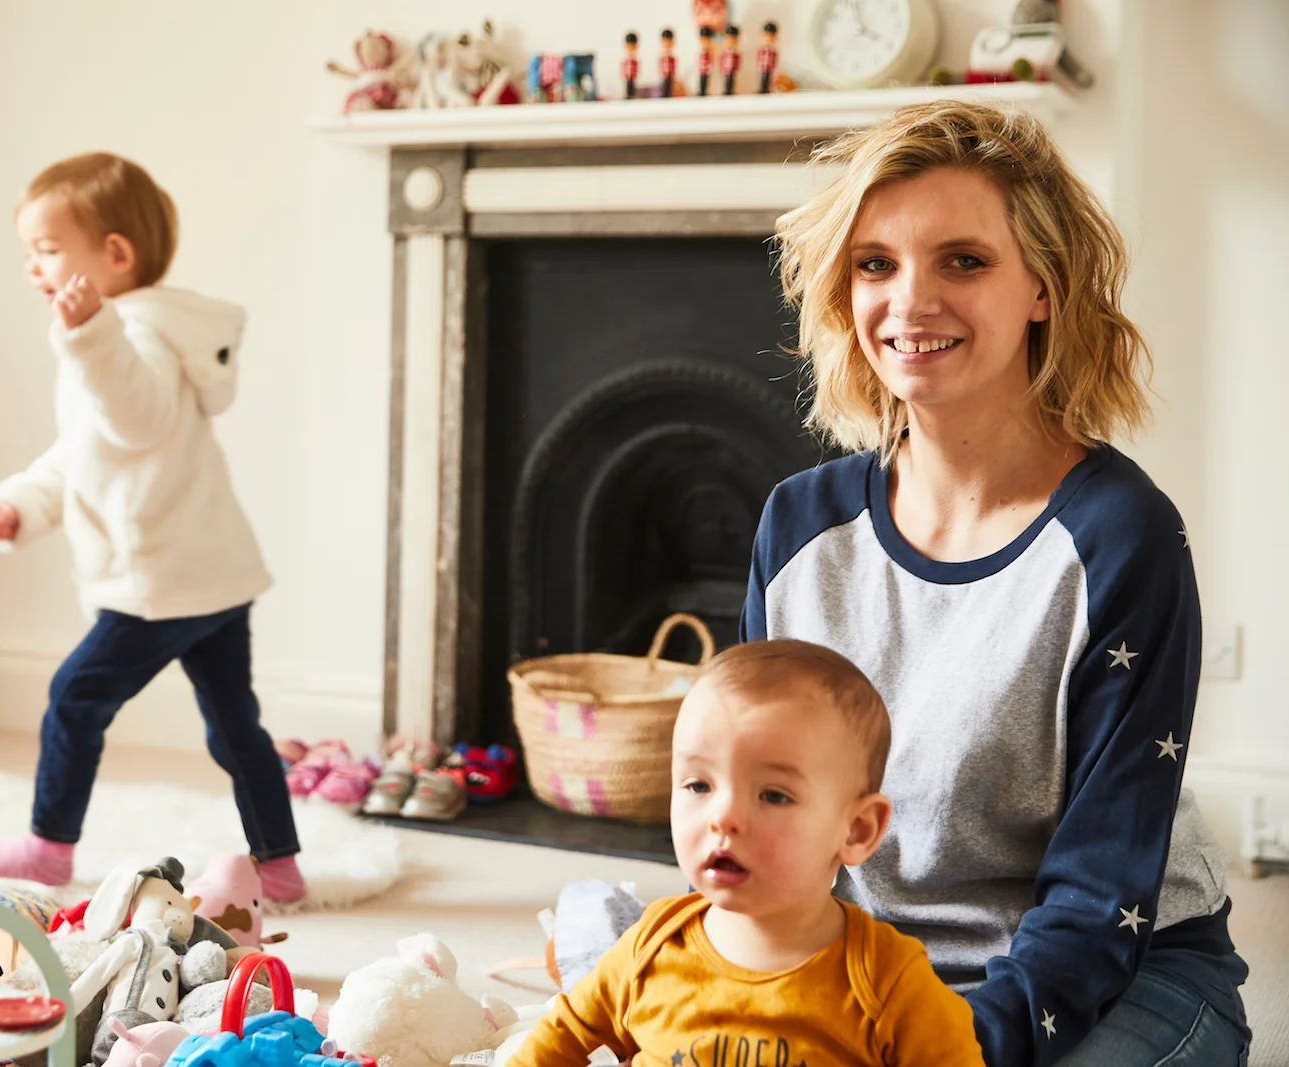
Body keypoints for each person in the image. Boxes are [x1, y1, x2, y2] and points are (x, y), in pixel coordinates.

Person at [745, 101, 1249, 1065]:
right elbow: (756, 801)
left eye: (963, 261)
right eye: (875, 263)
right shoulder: (800, 526)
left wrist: (945, 1047)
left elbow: (1104, 893)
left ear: (1043, 291)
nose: (911, 301)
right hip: (878, 968)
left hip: (1117, 975)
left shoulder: (1120, 535)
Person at [0, 152, 303, 901]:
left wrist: (91, 334)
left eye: (47, 250)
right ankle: (278, 858)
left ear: (115, 255)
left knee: (75, 696)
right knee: (234, 723)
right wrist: (19, 505)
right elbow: (84, 453)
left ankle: (49, 848)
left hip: (162, 580)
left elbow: (136, 417)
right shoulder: (131, 335)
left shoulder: (131, 335)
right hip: (211, 574)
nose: (33, 268)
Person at [507, 641, 985, 1066]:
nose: (723, 817)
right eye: (698, 785)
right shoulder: (651, 945)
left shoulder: (888, 981)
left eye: (773, 795)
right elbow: (562, 1036)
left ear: (857, 829)